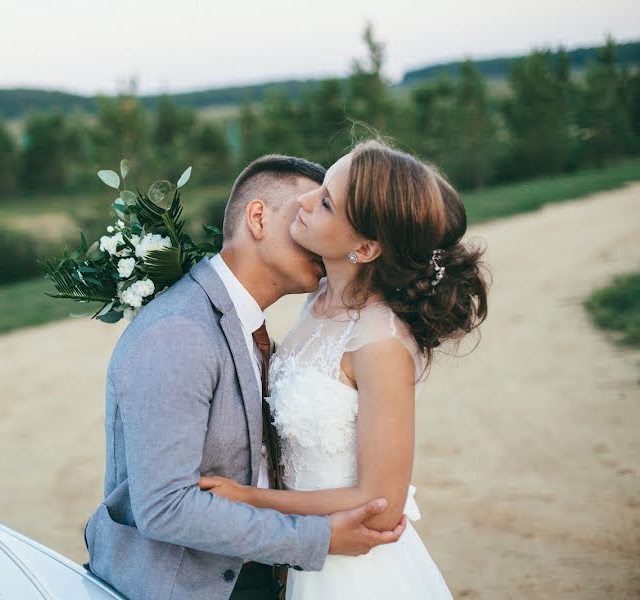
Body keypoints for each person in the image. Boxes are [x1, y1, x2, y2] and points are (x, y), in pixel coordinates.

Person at [85, 155, 407, 600]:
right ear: (258, 218)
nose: (313, 232)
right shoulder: (180, 330)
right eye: (302, 213)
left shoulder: (266, 325)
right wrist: (319, 539)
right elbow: (164, 508)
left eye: (325, 210)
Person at [199, 140, 490, 598]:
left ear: (367, 247)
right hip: (301, 557)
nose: (304, 201)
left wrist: (252, 501)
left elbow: (381, 503)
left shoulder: (380, 341)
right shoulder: (317, 299)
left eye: (327, 203)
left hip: (355, 573)